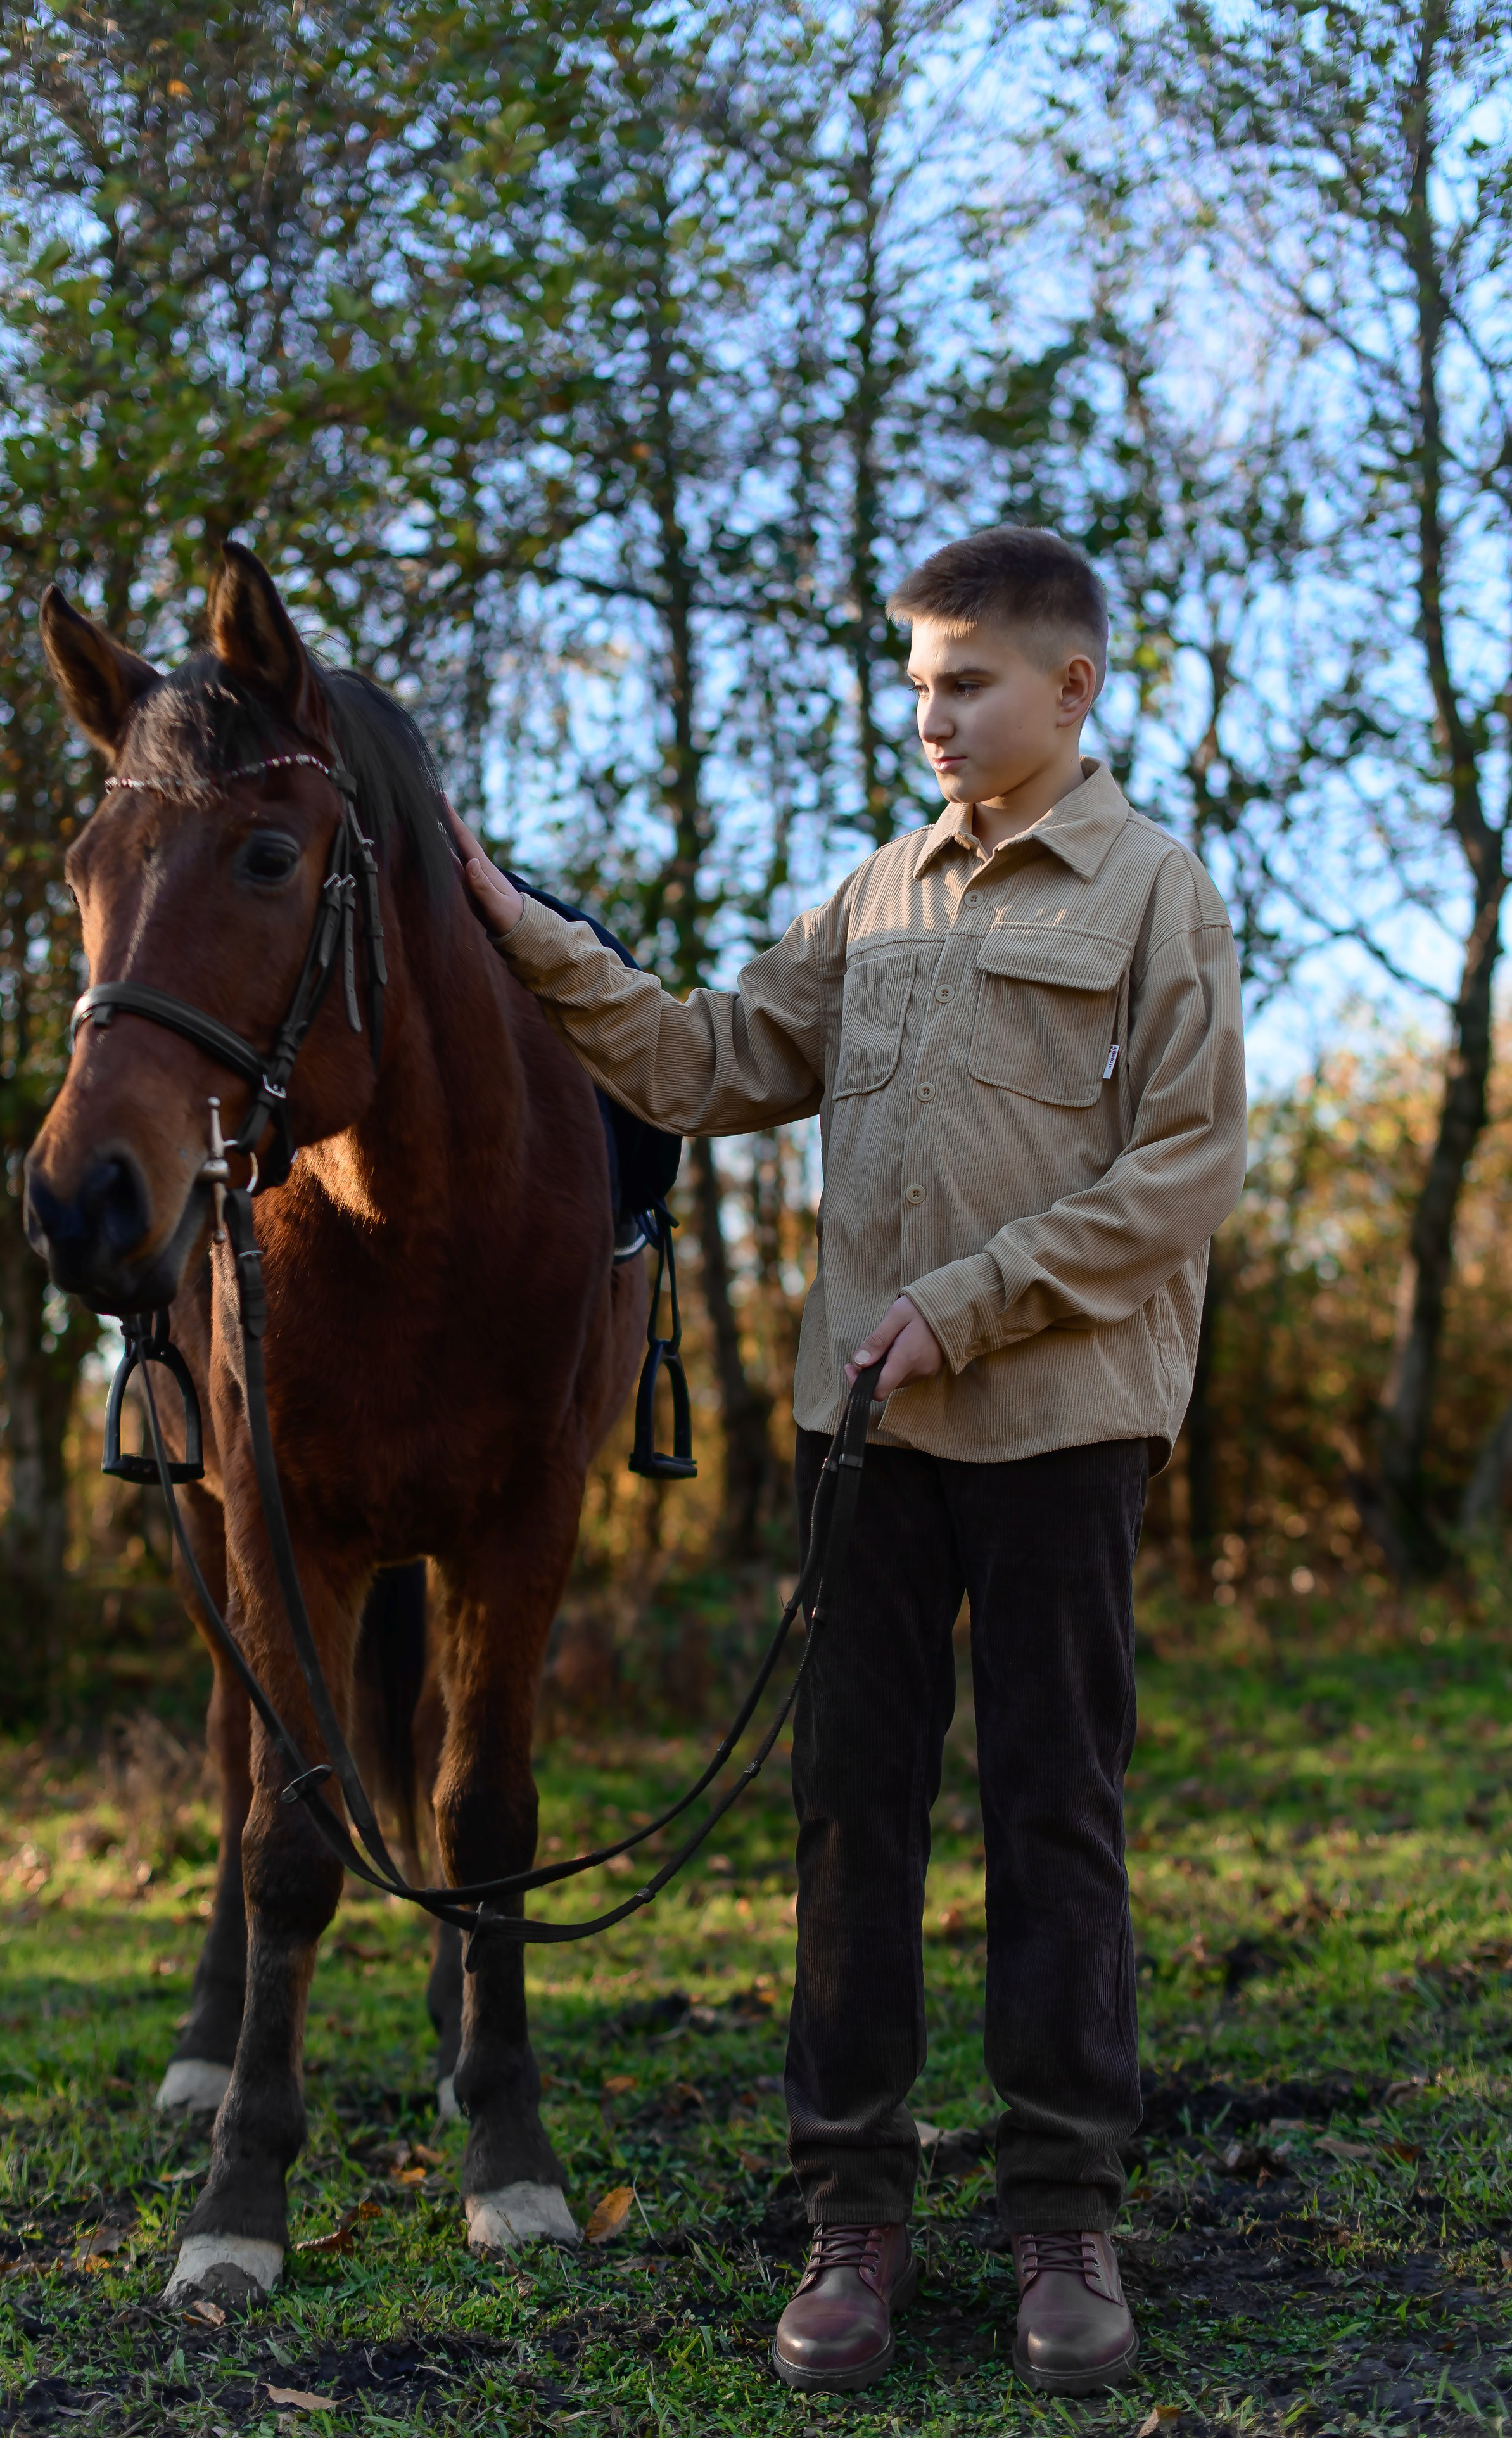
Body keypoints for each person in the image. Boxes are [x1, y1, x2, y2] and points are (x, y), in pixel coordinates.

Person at [447, 525, 1247, 2397]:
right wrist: (514, 921)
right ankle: (854, 2217)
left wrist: (967, 1305)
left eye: (966, 683)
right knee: (847, 1821)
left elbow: (1187, 1170)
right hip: (864, 1443)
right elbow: (703, 1059)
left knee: (1055, 1816)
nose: (931, 719)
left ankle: (1064, 2219)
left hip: (1061, 1430)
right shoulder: (875, 896)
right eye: (914, 686)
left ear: (1072, 687)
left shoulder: (1156, 893)